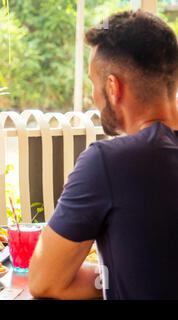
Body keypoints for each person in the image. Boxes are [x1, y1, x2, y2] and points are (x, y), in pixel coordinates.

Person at [28, 10, 178, 299]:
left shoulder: (109, 162)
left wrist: (116, 274)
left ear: (112, 87)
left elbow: (45, 281)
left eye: (93, 84)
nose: (92, 96)